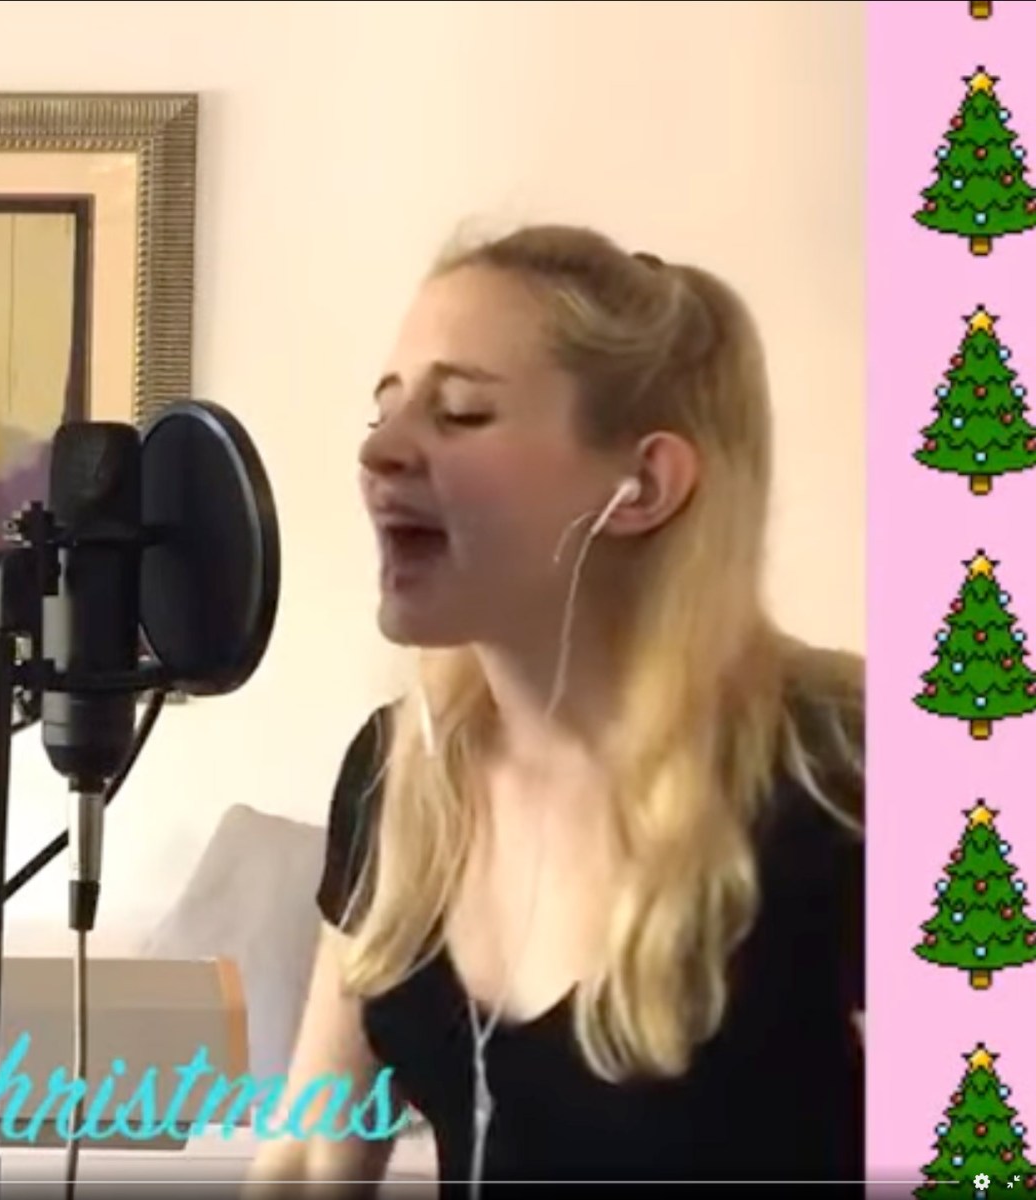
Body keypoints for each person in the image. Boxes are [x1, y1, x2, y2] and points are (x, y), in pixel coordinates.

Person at [246, 225, 864, 1193]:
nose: (379, 452)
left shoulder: (844, 773)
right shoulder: (395, 773)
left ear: (641, 486)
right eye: (384, 410)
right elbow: (311, 1155)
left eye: (457, 414)